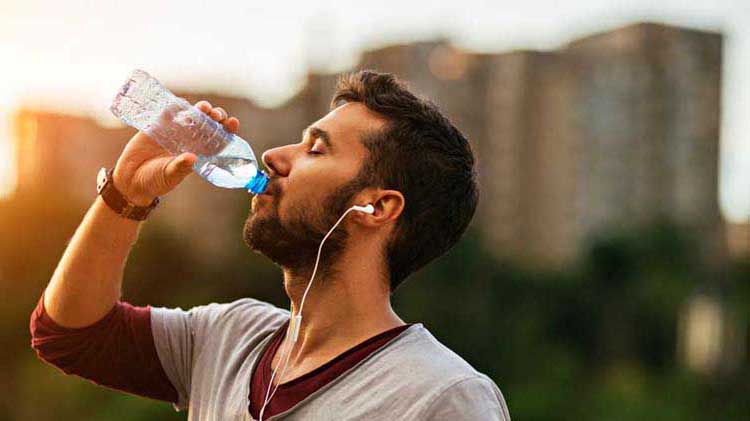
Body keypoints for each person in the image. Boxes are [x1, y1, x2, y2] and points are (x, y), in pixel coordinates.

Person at [29, 70, 510, 420]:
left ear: (378, 207)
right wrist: (124, 197)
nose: (275, 156)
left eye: (316, 150)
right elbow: (71, 333)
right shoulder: (230, 336)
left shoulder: (443, 397)